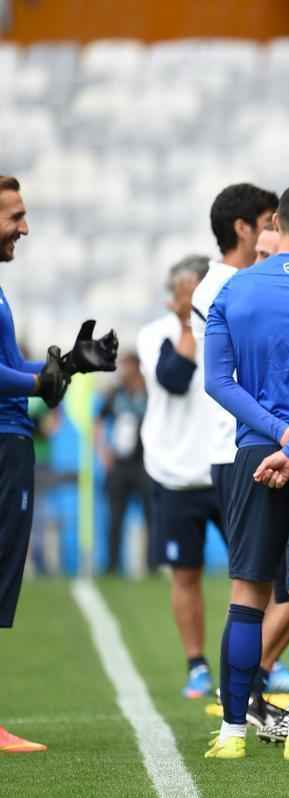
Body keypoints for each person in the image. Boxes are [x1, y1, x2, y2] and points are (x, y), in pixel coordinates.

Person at [203, 183, 289, 762]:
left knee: (248, 593)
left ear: (275, 224)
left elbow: (216, 380)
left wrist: (277, 432)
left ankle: (233, 732)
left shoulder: (234, 289)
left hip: (257, 453)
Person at [0, 174, 118, 753]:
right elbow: (13, 377)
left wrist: (66, 364)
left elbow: (15, 366)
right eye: (14, 216)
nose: (25, 227)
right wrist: (39, 381)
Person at [190, 182, 289, 727]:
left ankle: (252, 700)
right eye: (267, 221)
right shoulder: (225, 288)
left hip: (266, 441)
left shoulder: (243, 284)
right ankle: (250, 697)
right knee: (272, 585)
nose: (272, 232)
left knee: (285, 585)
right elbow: (225, 377)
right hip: (248, 445)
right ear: (245, 229)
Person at [137, 255, 229, 698]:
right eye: (184, 294)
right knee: (185, 574)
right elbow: (174, 378)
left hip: (225, 467)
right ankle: (197, 665)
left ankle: (265, 661)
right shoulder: (155, 336)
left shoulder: (225, 326)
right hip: (175, 475)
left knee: (258, 573)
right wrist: (189, 326)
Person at [95, 352, 151, 575]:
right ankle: (112, 565)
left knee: (151, 517)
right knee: (115, 516)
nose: (121, 372)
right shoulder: (115, 394)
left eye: (126, 366)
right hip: (119, 465)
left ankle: (152, 565)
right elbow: (98, 420)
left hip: (145, 464)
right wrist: (103, 451)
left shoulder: (149, 394)